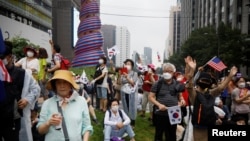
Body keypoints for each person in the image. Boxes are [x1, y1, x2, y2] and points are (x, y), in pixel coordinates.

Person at [184, 56, 237, 141]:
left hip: (209, 123)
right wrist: (192, 70)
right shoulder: (195, 94)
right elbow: (189, 86)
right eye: (203, 80)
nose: (205, 82)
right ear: (198, 81)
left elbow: (221, 88)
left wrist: (230, 76)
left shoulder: (210, 93)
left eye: (207, 81)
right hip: (199, 126)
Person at [0, 41, 41, 141]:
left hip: (14, 119)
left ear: (9, 57)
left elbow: (36, 89)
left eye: (1, 58)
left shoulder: (22, 74)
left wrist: (27, 99)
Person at [37, 70, 93, 141]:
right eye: (58, 83)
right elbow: (40, 131)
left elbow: (87, 126)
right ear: (55, 86)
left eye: (65, 82)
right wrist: (48, 123)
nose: (62, 86)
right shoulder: (47, 103)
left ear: (70, 84)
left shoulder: (81, 101)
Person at [148, 62, 185, 141]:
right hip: (160, 113)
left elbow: (180, 96)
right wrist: (159, 105)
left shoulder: (177, 84)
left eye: (169, 71)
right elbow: (150, 97)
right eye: (165, 71)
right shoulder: (157, 83)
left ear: (173, 73)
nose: (167, 73)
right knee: (159, 134)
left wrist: (182, 100)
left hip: (174, 113)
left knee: (172, 135)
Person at [120, 59, 138, 127]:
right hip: (124, 92)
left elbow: (133, 83)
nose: (127, 65)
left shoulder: (134, 73)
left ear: (132, 66)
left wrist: (127, 77)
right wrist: (120, 75)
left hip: (131, 93)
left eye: (129, 64)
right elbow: (121, 82)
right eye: (126, 64)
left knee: (132, 107)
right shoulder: (123, 73)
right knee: (125, 106)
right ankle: (126, 120)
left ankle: (132, 122)